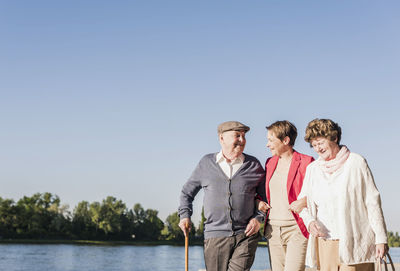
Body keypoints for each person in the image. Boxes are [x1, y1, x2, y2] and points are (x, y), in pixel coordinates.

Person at [299, 118, 388, 271]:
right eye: (314, 145)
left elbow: (372, 202)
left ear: (334, 138)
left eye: (320, 143)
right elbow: (302, 204)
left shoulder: (356, 162)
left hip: (355, 241)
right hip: (325, 243)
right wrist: (309, 221)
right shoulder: (312, 169)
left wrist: (381, 238)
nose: (317, 149)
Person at [178, 121, 266, 271]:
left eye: (244, 136)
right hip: (215, 236)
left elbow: (265, 198)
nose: (242, 140)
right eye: (237, 135)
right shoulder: (206, 163)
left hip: (246, 234)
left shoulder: (254, 165)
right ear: (221, 138)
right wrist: (184, 215)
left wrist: (258, 218)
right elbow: (187, 192)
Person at [257, 120, 314, 271]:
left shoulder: (307, 162)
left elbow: (320, 192)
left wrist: (304, 201)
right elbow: (262, 192)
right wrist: (259, 202)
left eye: (271, 140)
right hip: (273, 231)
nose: (267, 145)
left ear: (286, 140)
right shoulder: (269, 163)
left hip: (296, 229)